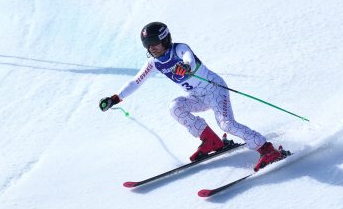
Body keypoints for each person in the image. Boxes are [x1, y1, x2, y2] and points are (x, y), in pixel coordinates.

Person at [99, 22, 285, 171]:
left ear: (165, 40)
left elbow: (188, 57)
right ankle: (211, 140)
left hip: (215, 91)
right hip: (197, 96)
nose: (152, 48)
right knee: (175, 107)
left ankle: (267, 149)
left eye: (155, 43)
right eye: (148, 45)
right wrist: (116, 98)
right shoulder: (154, 63)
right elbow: (135, 82)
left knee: (226, 124)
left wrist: (187, 66)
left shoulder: (179, 49)